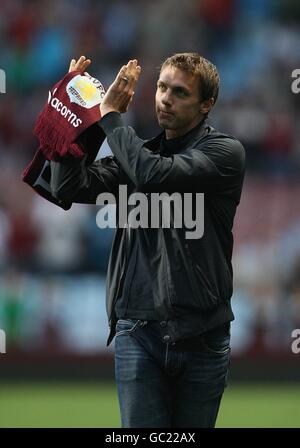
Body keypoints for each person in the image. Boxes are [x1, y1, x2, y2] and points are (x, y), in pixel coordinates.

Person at [50, 53, 246, 428]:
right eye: (160, 87)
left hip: (202, 334)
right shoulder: (137, 155)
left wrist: (109, 116)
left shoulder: (224, 154)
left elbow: (154, 175)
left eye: (179, 92)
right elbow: (67, 185)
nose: (165, 99)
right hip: (137, 331)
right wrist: (80, 117)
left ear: (207, 105)